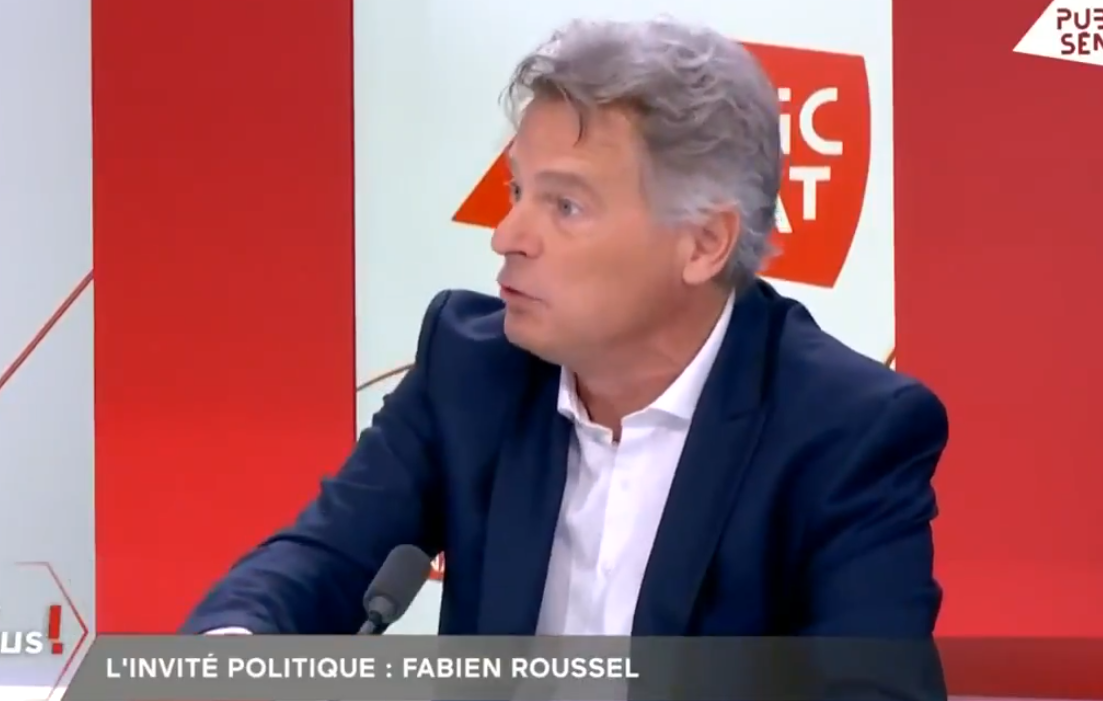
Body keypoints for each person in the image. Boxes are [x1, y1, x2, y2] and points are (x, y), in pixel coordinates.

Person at [183, 17, 949, 641]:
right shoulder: (470, 368)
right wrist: (233, 652)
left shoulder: (845, 432)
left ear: (704, 242)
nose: (507, 235)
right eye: (517, 190)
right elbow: (319, 561)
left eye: (566, 205)